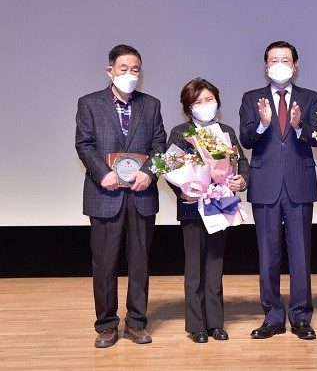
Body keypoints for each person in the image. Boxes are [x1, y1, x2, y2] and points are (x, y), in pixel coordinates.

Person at [75, 44, 167, 348]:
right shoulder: (90, 103)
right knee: (104, 263)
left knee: (140, 261)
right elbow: (84, 144)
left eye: (135, 69)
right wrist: (103, 173)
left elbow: (160, 145)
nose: (130, 74)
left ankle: (137, 323)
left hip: (142, 195)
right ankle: (106, 325)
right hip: (105, 193)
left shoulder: (151, 105)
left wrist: (149, 172)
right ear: (110, 70)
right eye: (123, 68)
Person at [239, 41, 317, 340]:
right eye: (274, 60)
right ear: (265, 66)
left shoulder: (310, 97)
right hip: (265, 184)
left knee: (300, 255)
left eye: (286, 60)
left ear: (295, 65)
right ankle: (272, 316)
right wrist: (262, 125)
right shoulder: (252, 98)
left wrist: (299, 126)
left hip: (299, 183)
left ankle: (301, 316)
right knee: (268, 256)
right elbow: (246, 139)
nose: (280, 65)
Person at [166, 78, 249, 343]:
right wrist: (185, 190)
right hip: (193, 207)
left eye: (209, 100)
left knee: (215, 264)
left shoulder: (226, 131)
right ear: (188, 107)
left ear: (217, 102)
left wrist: (241, 180)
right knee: (194, 267)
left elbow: (241, 163)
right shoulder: (180, 132)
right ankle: (196, 325)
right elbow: (170, 168)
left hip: (221, 205)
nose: (205, 105)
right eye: (198, 101)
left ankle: (215, 323)